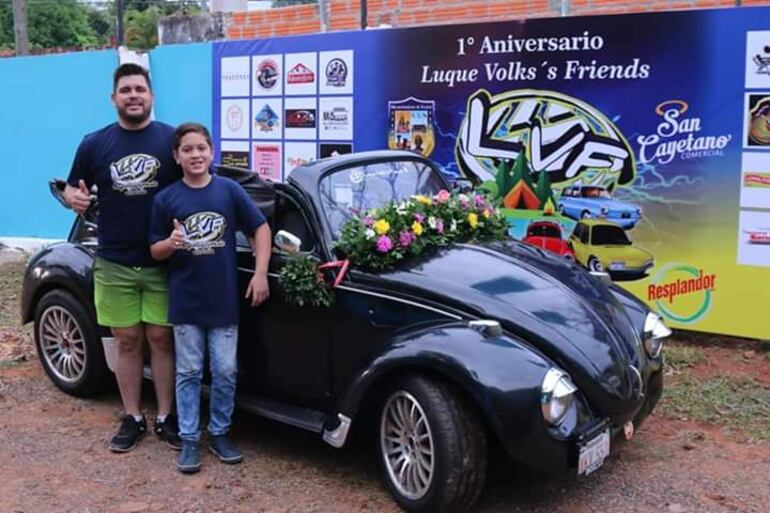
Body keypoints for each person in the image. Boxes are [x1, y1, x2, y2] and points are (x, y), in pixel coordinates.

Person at [64, 63, 181, 453]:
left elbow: (200, 182)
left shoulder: (171, 141)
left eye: (140, 89)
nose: (134, 96)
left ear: (151, 96)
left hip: (163, 259)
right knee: (127, 341)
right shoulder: (94, 144)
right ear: (114, 98)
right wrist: (73, 198)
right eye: (126, 90)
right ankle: (132, 417)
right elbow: (71, 187)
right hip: (113, 259)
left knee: (162, 339)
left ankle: (166, 418)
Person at [149, 122, 271, 474]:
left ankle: (219, 433)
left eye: (201, 148)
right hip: (186, 302)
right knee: (188, 371)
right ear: (177, 156)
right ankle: (189, 439)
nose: (195, 155)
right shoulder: (166, 199)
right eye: (187, 149)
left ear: (211, 151)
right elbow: (154, 250)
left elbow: (260, 228)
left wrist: (261, 273)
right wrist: (168, 245)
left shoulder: (229, 191)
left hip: (224, 302)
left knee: (225, 370)